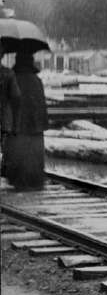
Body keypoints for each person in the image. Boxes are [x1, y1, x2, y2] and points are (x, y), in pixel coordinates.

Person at [6, 46, 46, 190]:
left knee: (18, 151)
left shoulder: (13, 78)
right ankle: (35, 180)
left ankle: (18, 180)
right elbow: (42, 105)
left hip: (17, 123)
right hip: (35, 125)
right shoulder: (36, 80)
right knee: (34, 153)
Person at [0, 52, 21, 181]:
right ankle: (4, 175)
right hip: (4, 117)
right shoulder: (8, 73)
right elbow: (16, 96)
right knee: (6, 148)